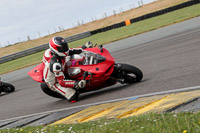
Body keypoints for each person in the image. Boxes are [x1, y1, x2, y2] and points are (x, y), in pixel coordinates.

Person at [42, 36, 93, 102]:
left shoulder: (56, 52)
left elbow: (71, 51)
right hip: (55, 82)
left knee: (77, 59)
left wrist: (84, 47)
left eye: (65, 46)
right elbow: (62, 82)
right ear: (55, 49)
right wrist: (77, 83)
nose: (65, 49)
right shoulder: (56, 65)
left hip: (61, 68)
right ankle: (68, 93)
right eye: (62, 48)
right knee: (74, 96)